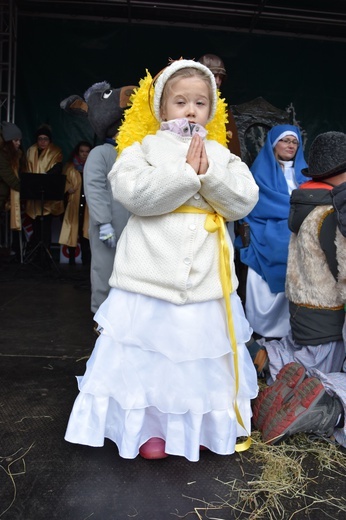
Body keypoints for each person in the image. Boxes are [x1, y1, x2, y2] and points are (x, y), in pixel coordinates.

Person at [64, 58, 259, 461]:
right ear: (161, 107)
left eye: (201, 102)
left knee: (196, 358)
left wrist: (210, 177)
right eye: (181, 101)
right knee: (151, 356)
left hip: (205, 281)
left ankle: (195, 427)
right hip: (149, 278)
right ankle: (148, 428)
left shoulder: (221, 153)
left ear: (212, 108)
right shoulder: (141, 149)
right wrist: (186, 175)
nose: (191, 109)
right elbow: (133, 193)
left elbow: (243, 200)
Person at [251, 131, 346, 446]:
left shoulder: (308, 202)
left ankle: (266, 358)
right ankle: (328, 403)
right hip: (326, 318)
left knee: (302, 354)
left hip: (305, 309)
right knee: (318, 364)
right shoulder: (331, 213)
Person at [235, 125, 307, 358]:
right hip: (270, 225)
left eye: (293, 142)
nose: (289, 146)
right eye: (284, 141)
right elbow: (258, 205)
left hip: (300, 225)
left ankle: (293, 327)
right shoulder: (261, 170)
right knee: (279, 247)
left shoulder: (306, 172)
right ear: (273, 144)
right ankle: (265, 328)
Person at [25, 124, 64, 253]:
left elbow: (57, 169)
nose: (42, 141)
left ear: (50, 140)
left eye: (45, 139)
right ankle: (35, 254)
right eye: (40, 138)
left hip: (47, 195)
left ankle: (45, 256)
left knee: (45, 227)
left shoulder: (56, 151)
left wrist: (45, 179)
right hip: (33, 195)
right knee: (36, 226)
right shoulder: (31, 150)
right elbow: (26, 169)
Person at [198, 53, 241, 157]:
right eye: (213, 76)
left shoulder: (224, 109)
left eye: (220, 78)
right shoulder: (187, 105)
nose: (217, 81)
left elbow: (233, 150)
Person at [59, 140, 92, 265]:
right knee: (73, 232)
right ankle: (71, 261)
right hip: (73, 204)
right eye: (82, 151)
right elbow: (62, 183)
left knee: (86, 234)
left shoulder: (94, 167)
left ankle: (86, 263)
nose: (84, 154)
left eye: (87, 152)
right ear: (77, 152)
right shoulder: (69, 167)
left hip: (88, 206)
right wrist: (68, 188)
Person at [0, 122, 27, 258]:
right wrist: (28, 190)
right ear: (8, 141)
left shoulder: (13, 155)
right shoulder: (2, 157)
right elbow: (10, 178)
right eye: (16, 140)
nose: (18, 143)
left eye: (19, 140)